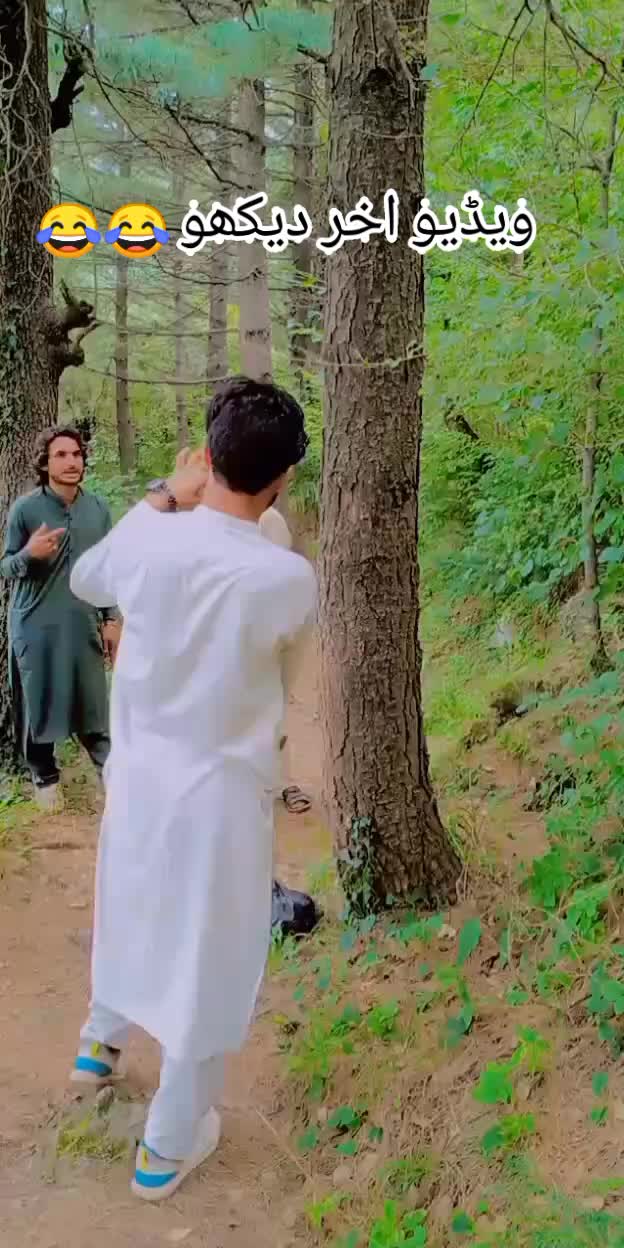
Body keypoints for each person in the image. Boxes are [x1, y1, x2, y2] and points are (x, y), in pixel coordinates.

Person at [68, 377, 317, 1202]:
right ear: (284, 478)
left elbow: (88, 580)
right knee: (211, 953)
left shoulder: (151, 538)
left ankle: (98, 1043)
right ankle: (169, 1142)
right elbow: (283, 673)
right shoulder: (287, 578)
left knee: (130, 903)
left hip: (140, 776)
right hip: (219, 797)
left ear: (204, 457)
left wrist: (163, 497)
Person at [0, 427, 121, 810]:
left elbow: (107, 570)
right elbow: (5, 566)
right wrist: (29, 554)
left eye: (76, 454)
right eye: (61, 455)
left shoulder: (98, 509)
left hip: (82, 624)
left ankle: (115, 782)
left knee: (93, 705)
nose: (71, 462)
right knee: (37, 705)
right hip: (35, 625)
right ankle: (45, 780)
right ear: (45, 463)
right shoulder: (26, 509)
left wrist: (112, 618)